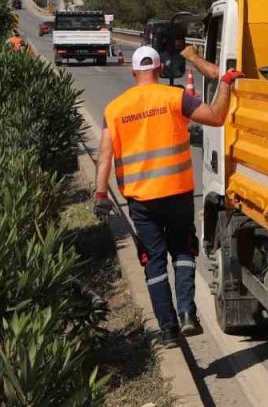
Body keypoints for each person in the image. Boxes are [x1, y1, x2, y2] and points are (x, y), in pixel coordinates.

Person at [93, 45, 243, 344]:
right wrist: (225, 84)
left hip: (141, 201)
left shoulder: (115, 109)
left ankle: (168, 329)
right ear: (160, 69)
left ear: (133, 71)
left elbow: (105, 156)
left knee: (154, 262)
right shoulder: (176, 98)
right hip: (177, 194)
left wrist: (100, 194)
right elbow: (215, 117)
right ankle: (188, 313)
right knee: (184, 252)